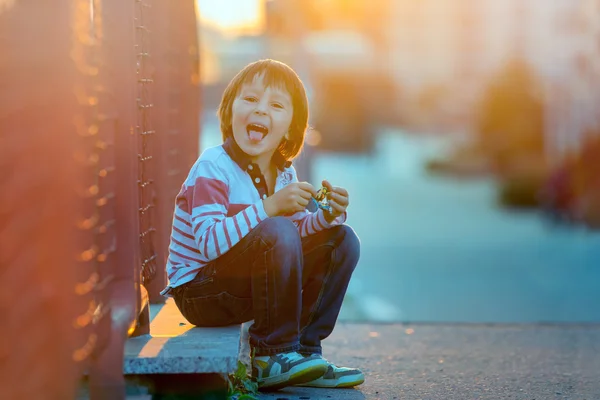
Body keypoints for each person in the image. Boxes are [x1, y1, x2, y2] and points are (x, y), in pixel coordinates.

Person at [160, 59, 363, 390]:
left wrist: (326, 217)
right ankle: (271, 355)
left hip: (245, 284)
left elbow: (293, 239)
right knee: (276, 229)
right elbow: (209, 243)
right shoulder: (214, 166)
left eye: (276, 105)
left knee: (342, 240)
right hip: (200, 292)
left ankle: (305, 352)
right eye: (250, 100)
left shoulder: (283, 172)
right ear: (230, 110)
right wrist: (269, 206)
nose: (261, 110)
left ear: (291, 126)